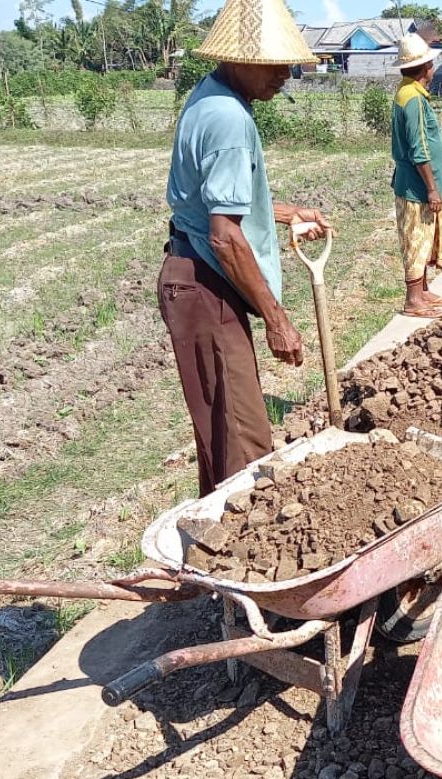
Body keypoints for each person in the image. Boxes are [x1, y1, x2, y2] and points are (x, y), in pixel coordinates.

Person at [161, 0, 332, 496]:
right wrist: (276, 318)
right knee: (245, 446)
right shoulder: (230, 120)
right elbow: (225, 236)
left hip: (196, 279)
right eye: (275, 64)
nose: (286, 74)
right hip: (206, 287)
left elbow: (219, 204)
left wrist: (287, 213)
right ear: (239, 59)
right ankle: (248, 560)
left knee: (225, 433)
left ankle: (220, 550)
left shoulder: (209, 98)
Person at [391, 33, 442, 319]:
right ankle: (413, 299)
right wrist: (432, 188)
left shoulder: (408, 93)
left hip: (414, 184)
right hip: (416, 187)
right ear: (426, 67)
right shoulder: (412, 99)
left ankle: (423, 290)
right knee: (416, 239)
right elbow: (419, 148)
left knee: (424, 237)